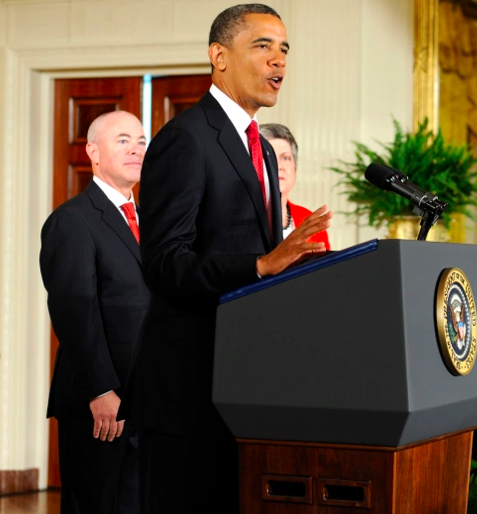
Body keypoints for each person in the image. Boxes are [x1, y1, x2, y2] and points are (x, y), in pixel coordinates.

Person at [120, 4, 332, 513]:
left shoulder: (256, 145)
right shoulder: (186, 139)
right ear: (219, 56)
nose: (278, 61)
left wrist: (304, 266)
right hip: (187, 394)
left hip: (241, 382)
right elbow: (165, 263)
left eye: (284, 50)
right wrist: (262, 265)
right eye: (263, 46)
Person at [40, 110, 148, 514]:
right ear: (93, 152)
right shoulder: (72, 221)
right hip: (100, 403)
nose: (136, 148)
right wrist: (101, 390)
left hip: (146, 400)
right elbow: (74, 311)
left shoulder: (152, 222)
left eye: (141, 141)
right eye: (123, 140)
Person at [260, 123, 331, 249]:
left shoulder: (311, 221)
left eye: (285, 158)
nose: (279, 166)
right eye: (270, 156)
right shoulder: (240, 218)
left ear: (295, 169)